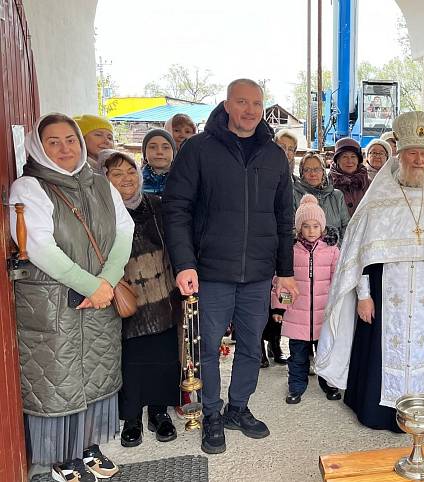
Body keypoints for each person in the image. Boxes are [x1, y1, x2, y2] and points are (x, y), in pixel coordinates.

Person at [314, 111, 424, 432]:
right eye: (413, 153)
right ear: (400, 155)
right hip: (384, 292)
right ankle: (376, 411)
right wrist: (363, 296)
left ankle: (423, 405)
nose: (420, 160)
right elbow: (360, 252)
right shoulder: (379, 196)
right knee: (378, 349)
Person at [163, 78, 297, 455]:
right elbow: (177, 209)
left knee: (252, 346)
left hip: (257, 274)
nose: (250, 110)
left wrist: (284, 270)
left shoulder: (273, 156)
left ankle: (238, 408)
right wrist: (184, 263)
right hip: (211, 271)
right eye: (242, 102)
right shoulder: (199, 149)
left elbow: (283, 215)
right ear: (227, 105)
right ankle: (211, 414)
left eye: (256, 103)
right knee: (206, 349)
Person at [10, 114, 134, 479]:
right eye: (54, 141)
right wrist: (91, 285)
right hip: (54, 301)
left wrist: (108, 280)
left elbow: (123, 231)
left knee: (97, 371)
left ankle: (90, 447)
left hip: (100, 295)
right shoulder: (29, 187)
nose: (65, 148)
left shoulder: (100, 183)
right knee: (59, 378)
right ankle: (62, 457)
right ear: (39, 146)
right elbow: (39, 246)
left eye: (70, 140)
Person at [100, 149, 181, 448]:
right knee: (130, 359)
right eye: (117, 174)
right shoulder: (103, 213)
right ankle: (132, 416)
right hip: (124, 295)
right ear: (105, 179)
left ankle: (159, 411)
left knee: (163, 355)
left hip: (162, 293)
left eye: (130, 171)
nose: (126, 179)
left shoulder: (157, 204)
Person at [270, 195, 342, 404]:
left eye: (316, 226)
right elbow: (282, 281)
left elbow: (338, 281)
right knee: (297, 356)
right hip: (296, 316)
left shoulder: (332, 251)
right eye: (306, 226)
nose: (311, 230)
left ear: (323, 227)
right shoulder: (290, 252)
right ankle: (296, 387)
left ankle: (328, 383)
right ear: (299, 228)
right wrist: (279, 308)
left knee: (325, 352)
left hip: (323, 315)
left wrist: (337, 306)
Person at [293, 152, 350, 244]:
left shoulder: (337, 196)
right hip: (305, 254)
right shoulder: (295, 195)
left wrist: (335, 248)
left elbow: (347, 227)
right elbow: (293, 229)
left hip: (335, 253)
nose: (313, 174)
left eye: (317, 169)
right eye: (307, 170)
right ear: (301, 173)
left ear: (323, 171)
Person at [329, 137, 370, 217]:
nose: (349, 161)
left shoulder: (368, 183)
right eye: (344, 157)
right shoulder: (327, 183)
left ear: (358, 160)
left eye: (353, 156)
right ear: (337, 160)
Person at [141, 128, 177, 196]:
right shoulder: (137, 180)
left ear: (173, 153)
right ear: (145, 154)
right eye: (152, 147)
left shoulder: (183, 178)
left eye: (165, 147)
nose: (159, 152)